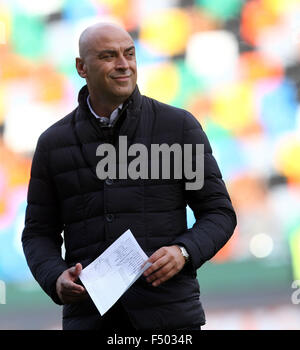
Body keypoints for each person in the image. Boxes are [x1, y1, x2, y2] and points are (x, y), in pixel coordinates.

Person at [22, 22, 236, 331]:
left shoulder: (178, 127)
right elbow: (38, 233)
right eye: (109, 56)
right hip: (91, 319)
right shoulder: (52, 143)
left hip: (169, 321)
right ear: (82, 67)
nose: (123, 65)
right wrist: (55, 277)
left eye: (129, 54)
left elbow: (219, 213)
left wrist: (184, 252)